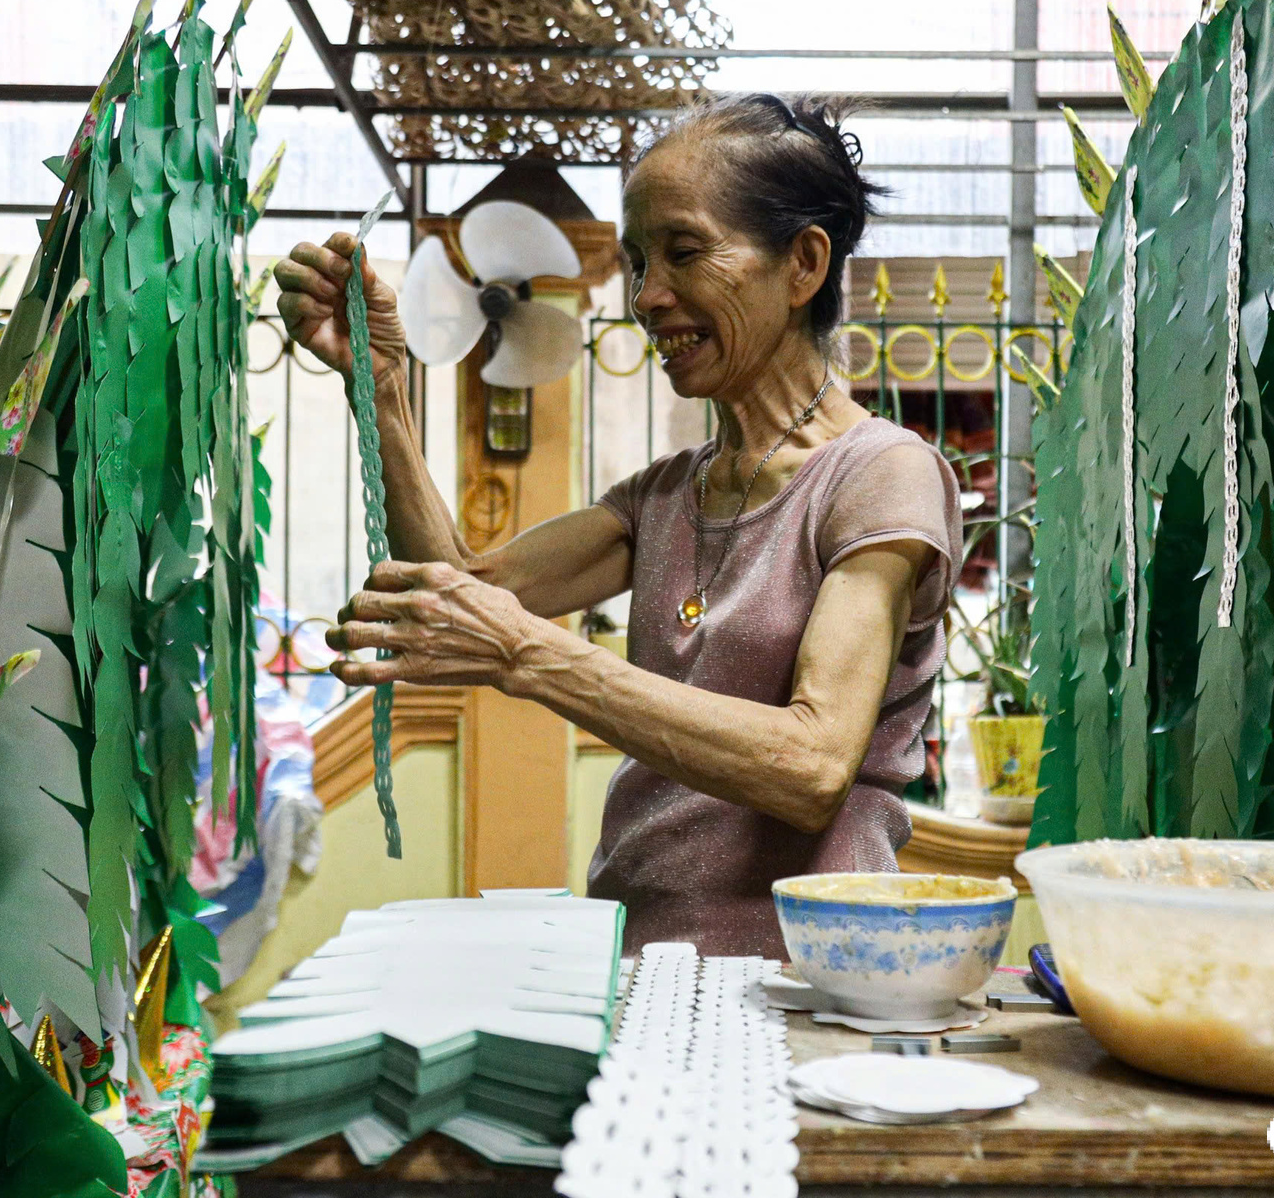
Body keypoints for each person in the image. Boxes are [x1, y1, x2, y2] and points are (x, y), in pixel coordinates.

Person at [276, 94, 962, 956]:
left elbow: (813, 766)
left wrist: (531, 655)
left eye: (683, 253)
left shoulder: (880, 475)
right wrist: (379, 385)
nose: (648, 297)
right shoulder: (664, 497)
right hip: (639, 958)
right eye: (638, 264)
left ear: (803, 265)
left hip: (805, 976)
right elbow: (465, 592)